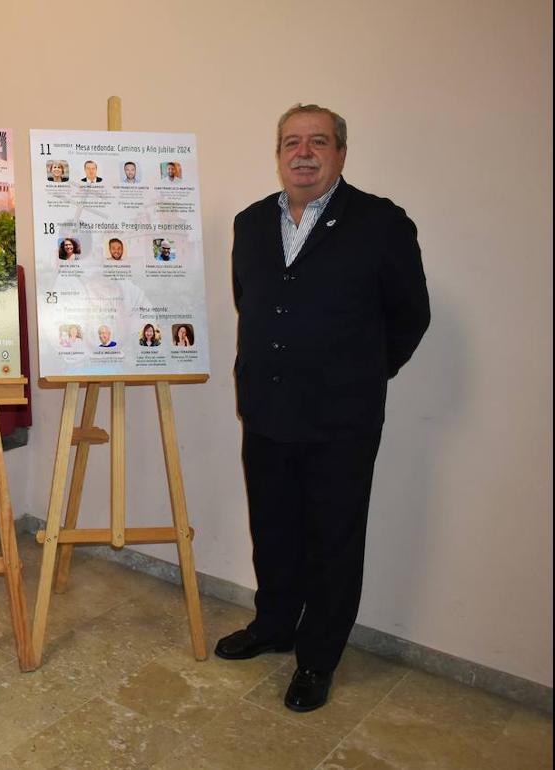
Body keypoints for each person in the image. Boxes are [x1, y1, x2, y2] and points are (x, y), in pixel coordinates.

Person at [219, 104, 429, 713]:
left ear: (340, 152)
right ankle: (275, 625)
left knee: (335, 539)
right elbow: (251, 301)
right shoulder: (251, 222)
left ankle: (317, 658)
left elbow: (410, 315)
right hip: (265, 407)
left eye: (318, 141)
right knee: (274, 528)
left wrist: (360, 373)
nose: (303, 152)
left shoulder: (381, 222)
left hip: (342, 417)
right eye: (291, 142)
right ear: (278, 153)